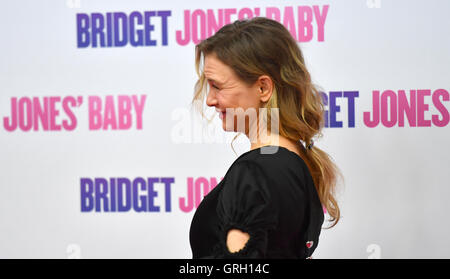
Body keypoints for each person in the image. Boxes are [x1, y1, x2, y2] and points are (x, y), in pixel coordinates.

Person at [189, 17, 343, 259]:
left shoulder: (256, 172)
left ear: (263, 88)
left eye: (217, 86)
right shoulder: (293, 161)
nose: (209, 99)